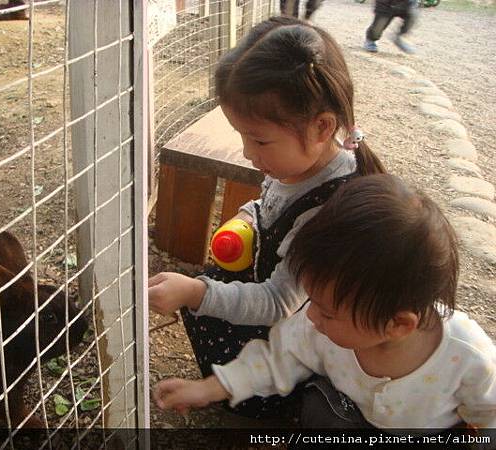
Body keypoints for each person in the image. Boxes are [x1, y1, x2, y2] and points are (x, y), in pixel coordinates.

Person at [149, 16, 387, 419]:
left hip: (306, 330)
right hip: (275, 287)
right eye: (241, 136)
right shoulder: (295, 168)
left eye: (257, 139)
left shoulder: (327, 208)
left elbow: (280, 303)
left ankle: (264, 404)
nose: (246, 153)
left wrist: (194, 292)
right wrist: (247, 218)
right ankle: (229, 384)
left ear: (321, 127)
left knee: (203, 295)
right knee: (211, 286)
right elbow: (267, 203)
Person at [154, 174, 496, 436]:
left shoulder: (467, 356)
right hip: (349, 415)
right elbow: (277, 360)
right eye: (313, 302)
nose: (311, 317)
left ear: (399, 325)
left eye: (328, 311)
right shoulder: (321, 327)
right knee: (321, 409)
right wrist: (207, 389)